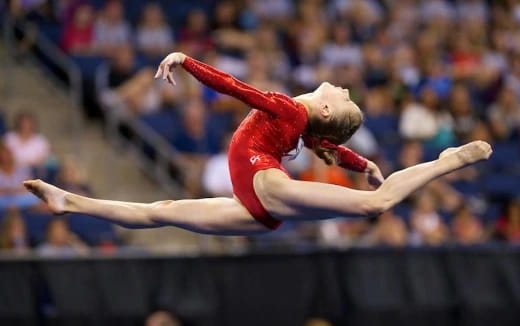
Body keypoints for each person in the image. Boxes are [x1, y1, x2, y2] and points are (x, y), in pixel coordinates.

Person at [24, 52, 492, 236]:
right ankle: (70, 200)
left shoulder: (290, 110)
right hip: (256, 205)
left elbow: (235, 88)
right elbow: (331, 149)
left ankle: (447, 160)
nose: (343, 88)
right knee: (158, 210)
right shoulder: (303, 124)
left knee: (378, 205)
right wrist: (363, 160)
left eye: (344, 98)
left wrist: (187, 61)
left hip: (265, 188)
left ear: (326, 110)